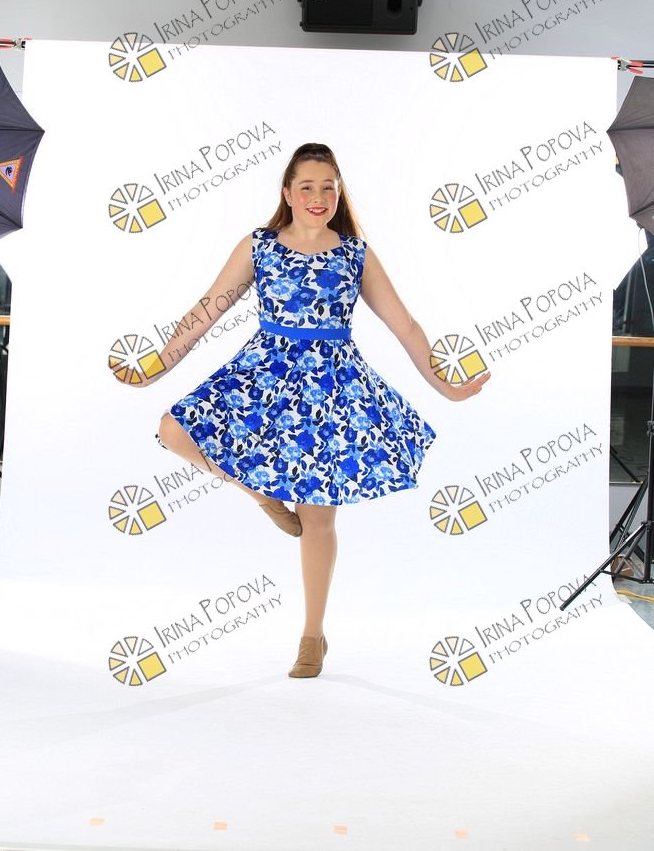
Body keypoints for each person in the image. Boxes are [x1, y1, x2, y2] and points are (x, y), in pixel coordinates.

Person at [119, 143, 491, 679]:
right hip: (264, 375)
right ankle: (262, 493)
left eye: (328, 187)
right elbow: (204, 313)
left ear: (339, 193)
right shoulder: (260, 246)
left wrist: (446, 388)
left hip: (331, 389)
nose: (318, 197)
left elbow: (406, 327)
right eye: (307, 187)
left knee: (318, 517)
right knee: (174, 430)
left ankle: (312, 636)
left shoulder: (355, 254)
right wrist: (155, 368)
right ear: (288, 193)